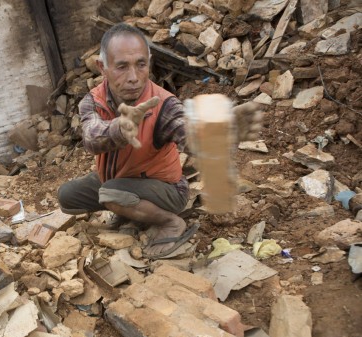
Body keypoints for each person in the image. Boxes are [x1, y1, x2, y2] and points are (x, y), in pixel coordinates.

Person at [57, 23, 261, 259]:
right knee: (67, 197)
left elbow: (189, 135)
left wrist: (222, 133)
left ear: (149, 62)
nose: (133, 77)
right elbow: (91, 138)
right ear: (103, 67)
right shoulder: (93, 100)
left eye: (141, 65)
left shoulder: (163, 104)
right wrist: (119, 129)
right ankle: (128, 209)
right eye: (122, 67)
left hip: (165, 190)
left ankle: (170, 222)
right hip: (118, 180)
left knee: (111, 193)